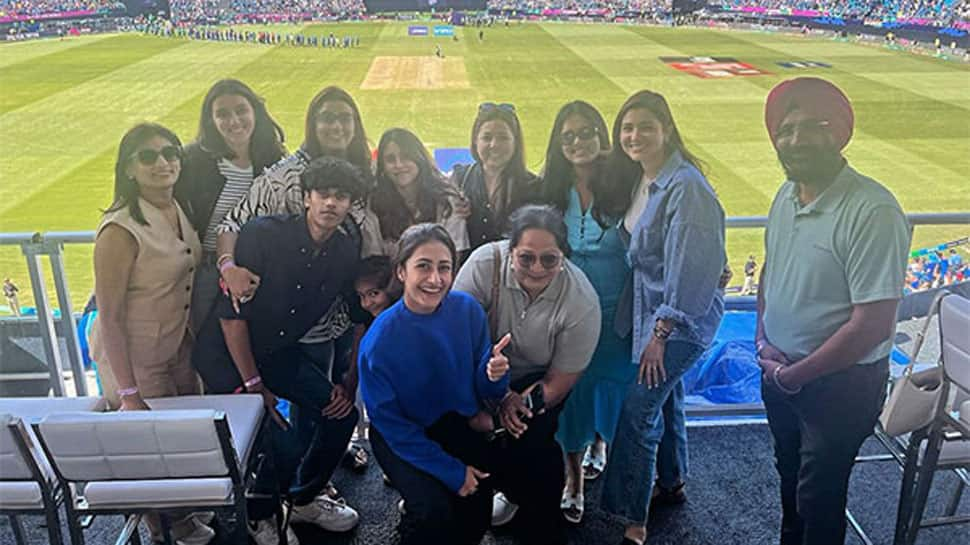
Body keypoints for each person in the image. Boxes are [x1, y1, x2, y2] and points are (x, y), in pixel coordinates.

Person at [757, 77, 910, 545]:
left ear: (839, 133)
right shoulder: (787, 195)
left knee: (819, 498)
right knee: (791, 485)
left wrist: (795, 373)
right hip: (781, 371)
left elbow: (873, 324)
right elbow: (771, 271)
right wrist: (763, 340)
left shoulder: (873, 210)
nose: (797, 139)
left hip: (839, 388)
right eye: (787, 129)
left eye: (813, 126)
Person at [192, 157, 369, 541]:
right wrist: (254, 385)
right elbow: (230, 318)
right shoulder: (264, 235)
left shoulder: (343, 250)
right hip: (228, 355)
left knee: (341, 417)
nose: (330, 204)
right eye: (322, 194)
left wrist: (350, 378)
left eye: (341, 197)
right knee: (280, 436)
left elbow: (357, 312)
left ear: (350, 204)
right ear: (306, 198)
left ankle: (303, 500)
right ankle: (260, 512)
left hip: (278, 353)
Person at [598, 90, 726, 545]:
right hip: (650, 316)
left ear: (667, 129)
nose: (634, 136)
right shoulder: (645, 180)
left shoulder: (686, 188)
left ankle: (631, 520)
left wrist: (661, 332)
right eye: (627, 128)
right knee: (666, 399)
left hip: (677, 324)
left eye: (645, 126)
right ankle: (671, 481)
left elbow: (692, 271)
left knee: (639, 410)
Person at [88, 123, 211, 545]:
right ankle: (165, 528)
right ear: (128, 169)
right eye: (148, 156)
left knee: (178, 440)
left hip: (177, 345)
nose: (162, 162)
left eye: (170, 152)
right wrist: (127, 391)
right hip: (137, 357)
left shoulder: (178, 207)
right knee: (151, 449)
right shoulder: (119, 230)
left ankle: (181, 516)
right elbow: (109, 316)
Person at [454, 205, 601, 545]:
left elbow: (560, 381)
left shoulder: (582, 301)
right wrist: (496, 394)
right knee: (469, 439)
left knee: (532, 443)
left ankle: (534, 516)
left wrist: (514, 405)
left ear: (563, 255)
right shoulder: (481, 265)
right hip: (474, 367)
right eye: (526, 258)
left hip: (535, 377)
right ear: (509, 251)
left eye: (549, 259)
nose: (537, 268)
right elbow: (455, 342)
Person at [359, 223, 510, 545]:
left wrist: (495, 376)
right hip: (400, 434)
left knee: (477, 505)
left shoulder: (467, 311)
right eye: (423, 266)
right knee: (431, 511)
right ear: (401, 271)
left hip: (455, 422)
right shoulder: (379, 341)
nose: (435, 279)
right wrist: (450, 471)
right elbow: (391, 424)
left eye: (444, 267)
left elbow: (484, 390)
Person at [537, 101, 633, 524]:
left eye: (587, 132)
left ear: (602, 135)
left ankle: (602, 446)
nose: (578, 142)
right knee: (572, 396)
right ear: (559, 144)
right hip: (571, 314)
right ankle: (572, 479)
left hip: (619, 316)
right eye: (568, 135)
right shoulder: (551, 191)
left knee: (613, 391)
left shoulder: (628, 184)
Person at [174, 78, 286, 333]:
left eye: (241, 110)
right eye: (222, 114)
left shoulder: (273, 159)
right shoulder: (193, 161)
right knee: (207, 347)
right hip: (208, 271)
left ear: (254, 112)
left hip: (258, 270)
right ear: (211, 120)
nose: (234, 121)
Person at [362, 128, 469, 259]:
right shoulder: (374, 203)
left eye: (406, 157)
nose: (399, 164)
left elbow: (454, 256)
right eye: (390, 159)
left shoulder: (447, 199)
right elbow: (374, 259)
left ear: (419, 158)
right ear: (382, 166)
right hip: (390, 277)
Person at [450, 102, 539, 253]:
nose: (494, 145)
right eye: (486, 137)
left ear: (515, 143)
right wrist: (450, 207)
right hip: (468, 272)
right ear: (475, 141)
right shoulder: (459, 179)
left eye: (503, 138)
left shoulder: (533, 186)